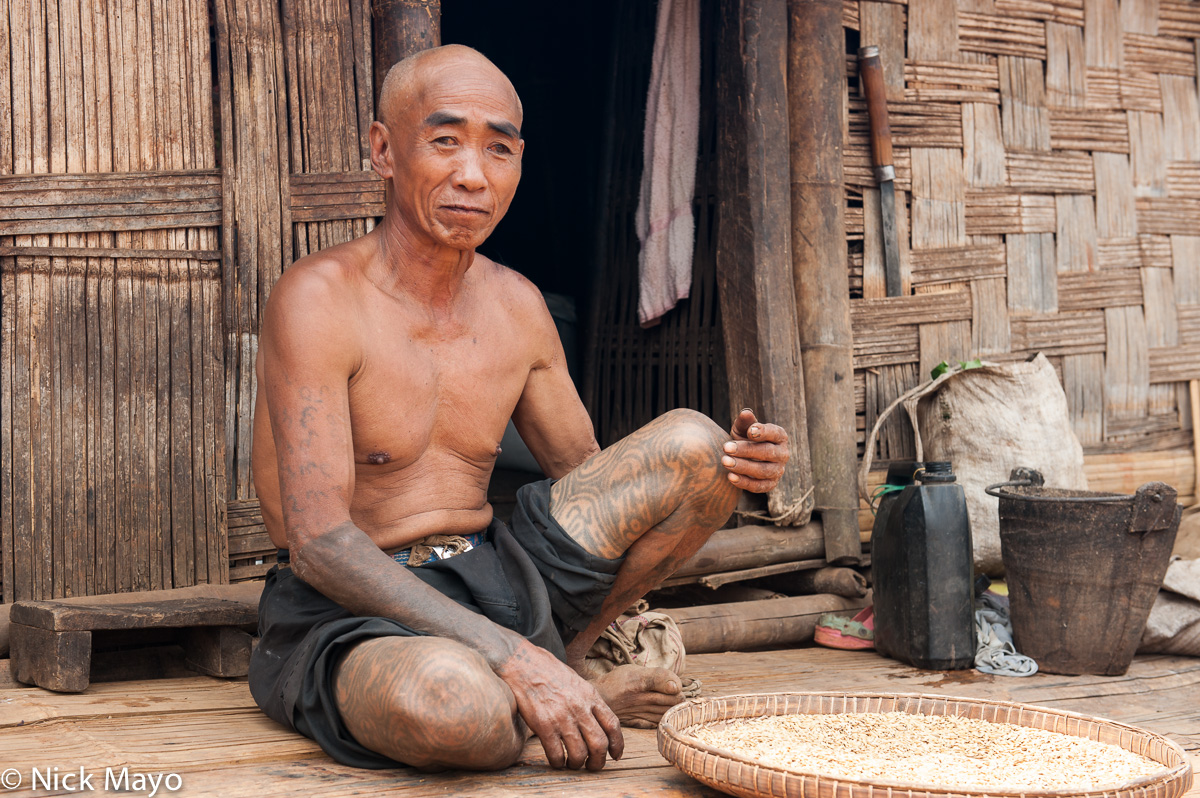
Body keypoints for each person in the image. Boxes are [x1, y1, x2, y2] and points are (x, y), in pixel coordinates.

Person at [247, 44, 790, 773]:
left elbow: (587, 476)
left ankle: (565, 664)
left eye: (497, 149)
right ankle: (549, 685)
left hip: (497, 578)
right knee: (454, 709)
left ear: (519, 165)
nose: (473, 175)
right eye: (445, 142)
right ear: (384, 150)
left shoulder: (518, 305)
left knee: (698, 446)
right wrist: (510, 656)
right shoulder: (319, 299)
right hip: (353, 610)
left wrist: (740, 466)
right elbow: (314, 541)